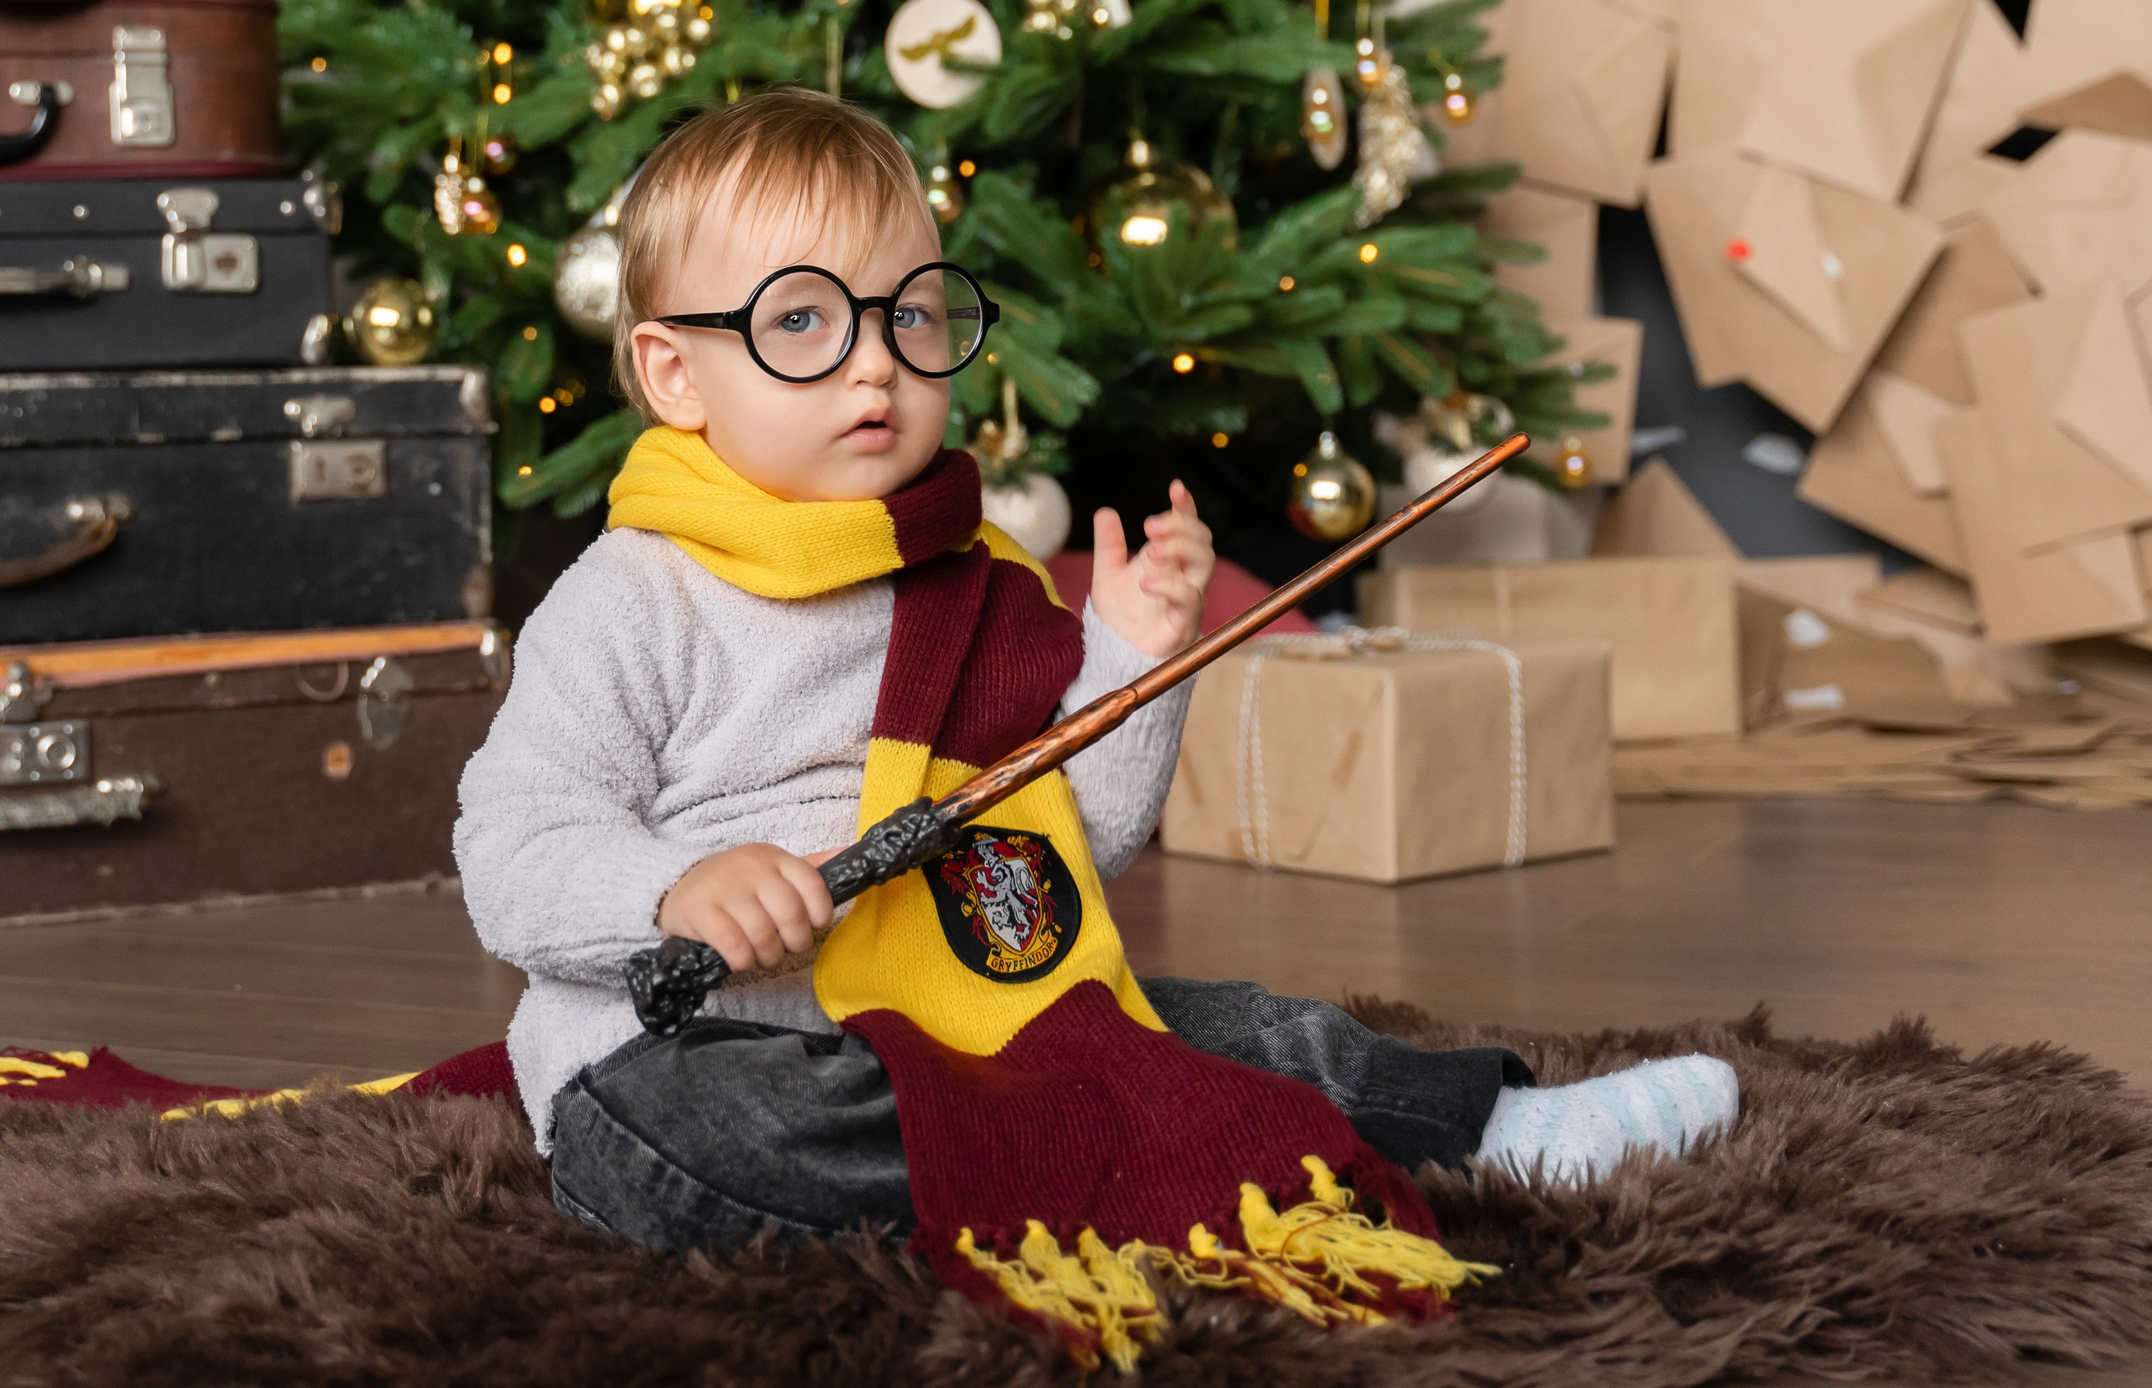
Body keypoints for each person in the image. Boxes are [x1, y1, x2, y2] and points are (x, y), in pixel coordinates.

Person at [455, 89, 1737, 1256]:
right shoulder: (633, 594)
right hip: (695, 1048)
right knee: (733, 1131)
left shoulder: (976, 579)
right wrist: (674, 887)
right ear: (673, 371)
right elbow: (512, 846)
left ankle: (1497, 1127)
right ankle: (1098, 1168)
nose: (875, 363)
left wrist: (1135, 654)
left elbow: (1074, 848)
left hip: (965, 1004)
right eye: (802, 319)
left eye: (908, 313)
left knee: (1218, 1028)